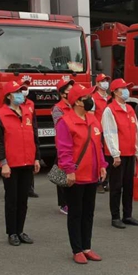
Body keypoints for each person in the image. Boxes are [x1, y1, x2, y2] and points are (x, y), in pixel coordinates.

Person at [55, 84, 107, 264]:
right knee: (76, 213)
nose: (90, 100)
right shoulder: (65, 122)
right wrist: (69, 171)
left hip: (92, 174)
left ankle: (87, 247)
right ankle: (77, 249)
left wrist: (102, 165)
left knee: (88, 213)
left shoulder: (92, 119)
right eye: (86, 97)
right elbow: (64, 150)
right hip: (76, 176)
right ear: (77, 101)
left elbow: (98, 145)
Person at [0, 80, 40, 245]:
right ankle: (12, 232)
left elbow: (34, 136)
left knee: (23, 200)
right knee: (12, 200)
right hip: (11, 164)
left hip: (27, 162)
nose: (21, 95)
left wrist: (36, 158)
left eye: (22, 91)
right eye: (17, 92)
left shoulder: (28, 112)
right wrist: (3, 162)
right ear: (8, 96)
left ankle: (20, 230)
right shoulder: (0, 115)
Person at [102, 78, 138, 229]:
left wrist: (137, 150)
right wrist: (115, 154)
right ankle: (115, 216)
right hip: (117, 155)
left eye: (127, 88)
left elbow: (136, 130)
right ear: (115, 92)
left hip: (130, 153)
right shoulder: (110, 110)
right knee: (116, 186)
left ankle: (127, 215)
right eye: (123, 88)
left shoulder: (130, 108)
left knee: (128, 185)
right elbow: (109, 133)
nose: (126, 91)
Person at [53, 78, 75, 213]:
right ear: (62, 94)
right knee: (61, 173)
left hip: (76, 144)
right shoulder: (58, 108)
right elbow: (60, 127)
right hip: (63, 144)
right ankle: (63, 203)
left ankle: (71, 200)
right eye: (69, 90)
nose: (72, 92)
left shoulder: (76, 105)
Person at [19, 79, 39, 199]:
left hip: (30, 134)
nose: (25, 90)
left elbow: (34, 120)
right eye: (23, 87)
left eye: (26, 87)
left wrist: (35, 133)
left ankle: (30, 188)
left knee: (31, 163)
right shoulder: (16, 104)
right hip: (19, 137)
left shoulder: (31, 103)